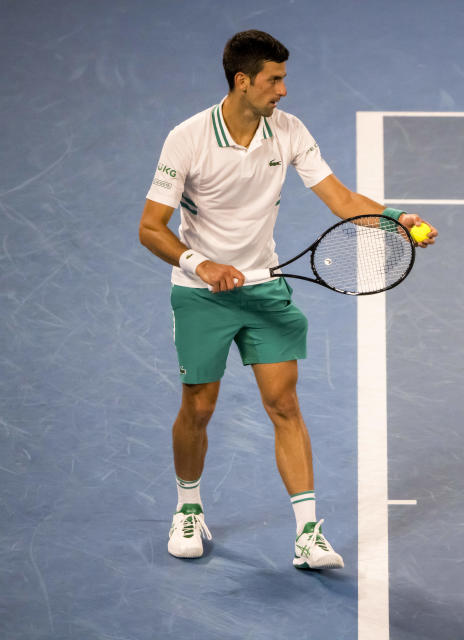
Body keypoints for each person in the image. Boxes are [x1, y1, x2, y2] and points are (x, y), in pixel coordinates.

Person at [138, 30, 436, 570]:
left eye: (283, 79)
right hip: (202, 296)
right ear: (242, 80)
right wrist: (201, 264)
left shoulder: (290, 132)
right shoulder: (186, 139)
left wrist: (395, 219)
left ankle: (307, 533)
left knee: (284, 405)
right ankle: (188, 508)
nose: (282, 91)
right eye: (274, 80)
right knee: (198, 407)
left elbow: (340, 198)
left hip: (265, 288)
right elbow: (150, 228)